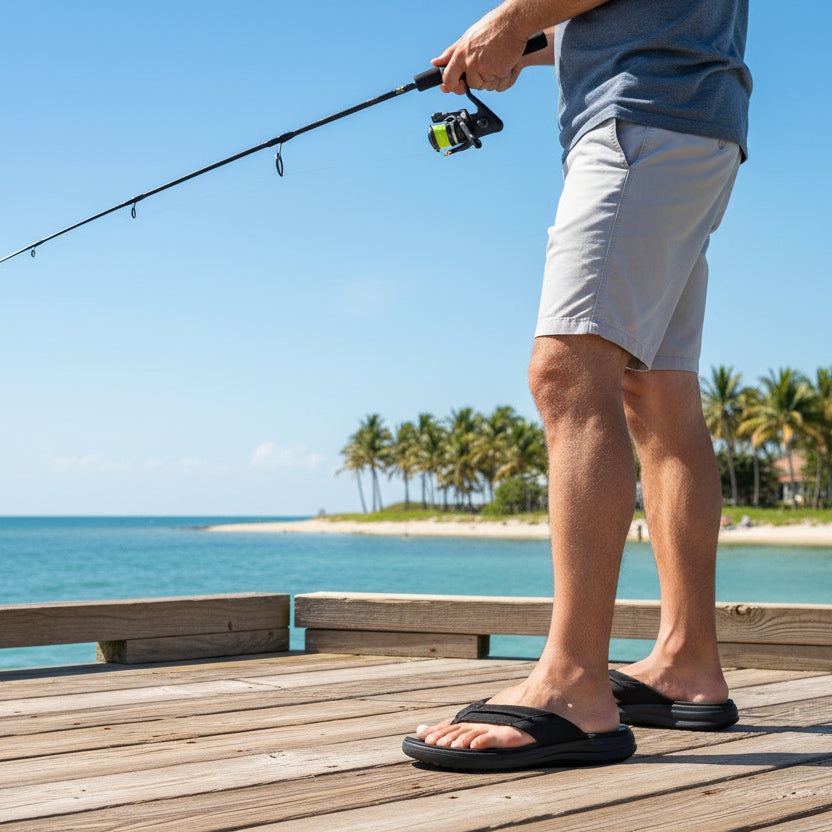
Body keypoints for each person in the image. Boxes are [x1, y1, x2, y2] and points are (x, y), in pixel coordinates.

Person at [402, 0, 752, 771]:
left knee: (568, 371)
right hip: (690, 116)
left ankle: (572, 686)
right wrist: (527, 43)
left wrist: (508, 18)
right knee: (657, 394)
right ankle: (687, 662)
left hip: (643, 118)